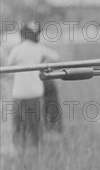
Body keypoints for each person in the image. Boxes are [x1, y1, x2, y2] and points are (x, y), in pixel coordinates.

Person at [7, 21, 60, 149]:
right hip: (35, 92)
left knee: (18, 124)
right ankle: (36, 147)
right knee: (35, 123)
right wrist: (43, 65)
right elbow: (56, 56)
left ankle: (18, 147)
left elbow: (9, 67)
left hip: (19, 92)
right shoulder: (39, 48)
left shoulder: (17, 49)